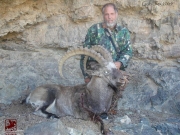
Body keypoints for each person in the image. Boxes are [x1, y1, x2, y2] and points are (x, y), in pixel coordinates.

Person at [80, 3, 133, 84]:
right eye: (106, 14)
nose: (109, 17)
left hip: (115, 73)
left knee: (115, 94)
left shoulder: (124, 32)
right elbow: (85, 53)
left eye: (112, 14)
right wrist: (86, 76)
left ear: (116, 14)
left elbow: (128, 51)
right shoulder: (94, 30)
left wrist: (120, 63)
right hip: (97, 73)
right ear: (103, 15)